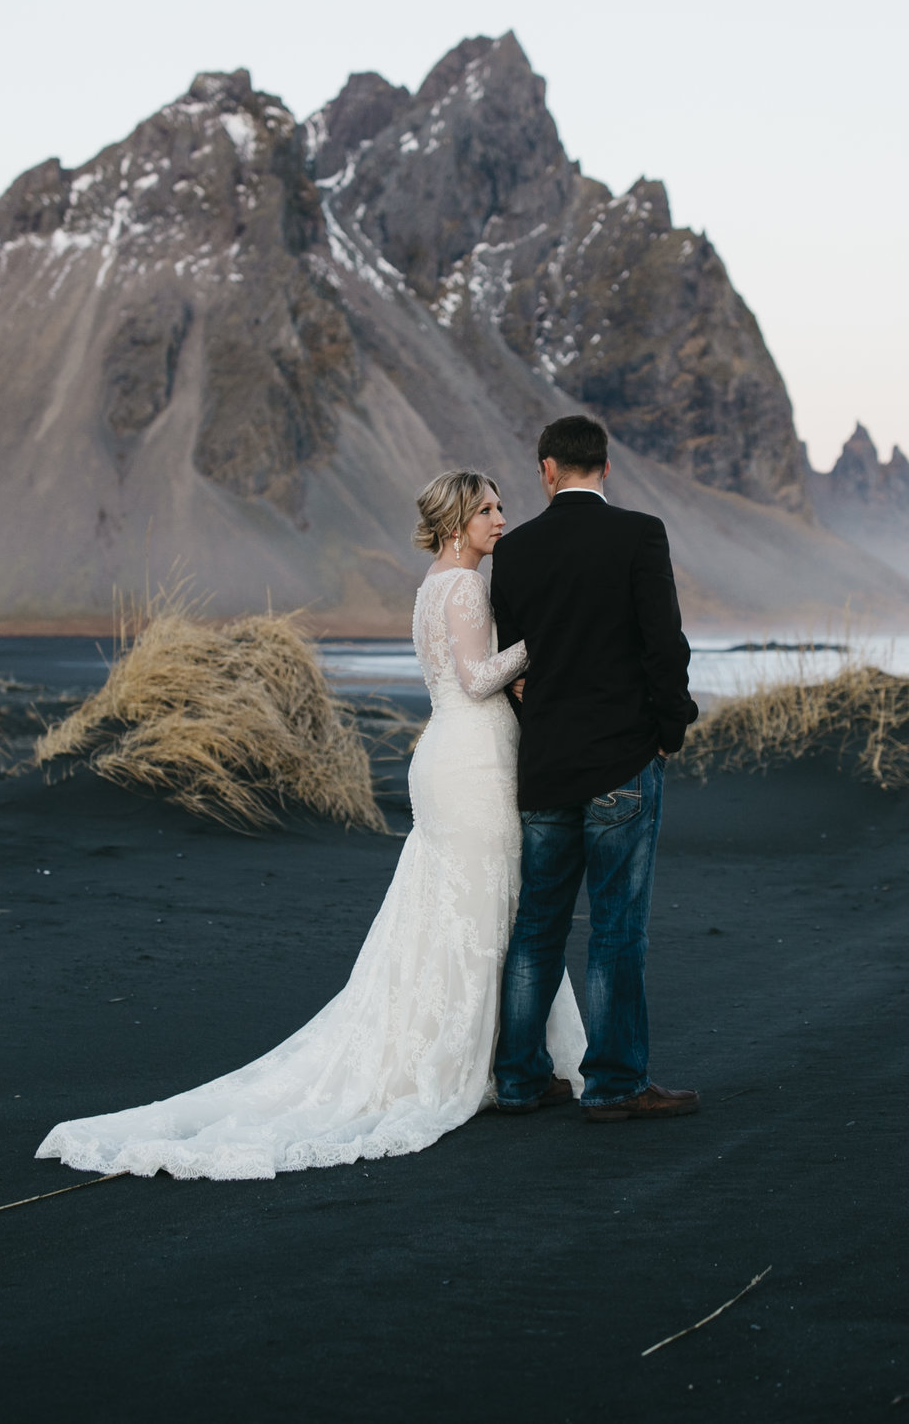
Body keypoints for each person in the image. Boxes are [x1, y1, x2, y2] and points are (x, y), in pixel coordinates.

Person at [36, 470, 583, 1179]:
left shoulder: (429, 586)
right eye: (487, 509)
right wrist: (539, 643)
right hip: (473, 761)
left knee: (455, 912)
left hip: (446, 753)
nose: (501, 518)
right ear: (455, 522)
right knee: (493, 908)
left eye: (502, 506)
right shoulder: (467, 586)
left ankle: (493, 1057)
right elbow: (478, 677)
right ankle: (495, 1064)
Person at [490, 415, 701, 1121]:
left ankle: (519, 1079)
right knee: (616, 926)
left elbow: (513, 659)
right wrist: (669, 728)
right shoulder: (641, 534)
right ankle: (613, 1084)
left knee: (538, 924)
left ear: (546, 470)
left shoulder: (513, 550)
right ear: (606, 469)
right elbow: (664, 645)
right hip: (621, 759)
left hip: (546, 761)